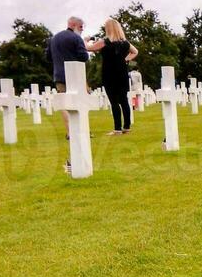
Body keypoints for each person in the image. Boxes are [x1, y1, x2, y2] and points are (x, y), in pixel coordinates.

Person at [47, 17, 104, 173]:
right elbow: (84, 57)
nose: (82, 29)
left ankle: (70, 131)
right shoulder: (75, 38)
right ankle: (81, 129)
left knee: (65, 104)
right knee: (80, 103)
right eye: (81, 26)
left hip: (59, 75)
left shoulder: (54, 38)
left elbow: (48, 56)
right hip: (75, 75)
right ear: (73, 25)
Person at [98, 17, 138, 134]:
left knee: (114, 101)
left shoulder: (105, 42)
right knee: (123, 100)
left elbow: (89, 48)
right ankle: (127, 127)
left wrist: (85, 40)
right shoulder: (125, 43)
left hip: (109, 73)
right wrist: (126, 59)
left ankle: (117, 129)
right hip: (122, 73)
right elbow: (135, 51)